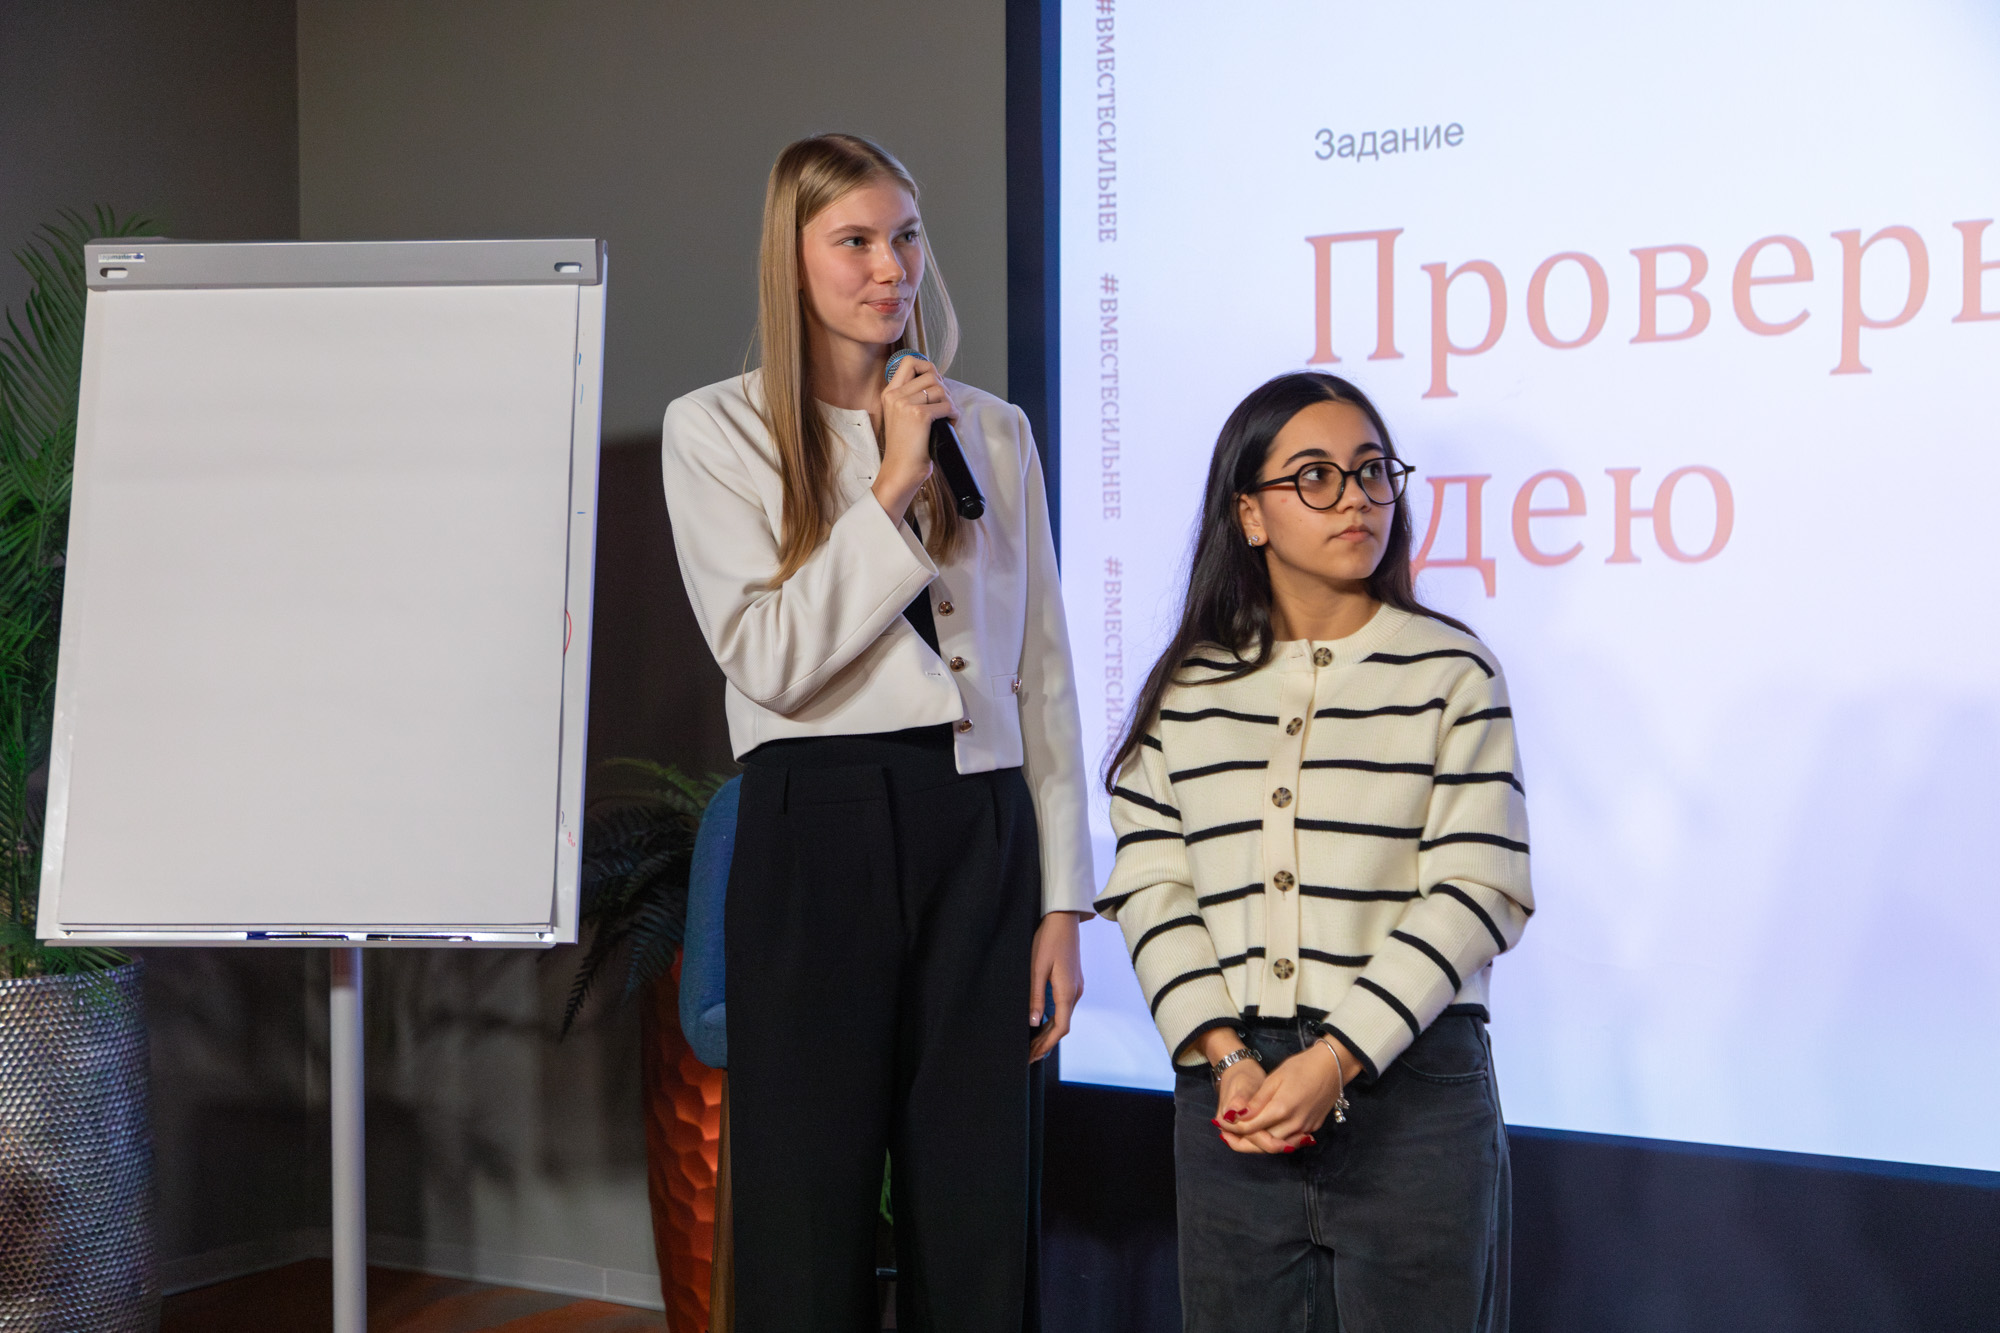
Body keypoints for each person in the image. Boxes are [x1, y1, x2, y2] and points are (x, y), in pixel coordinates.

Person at [658, 133, 1092, 1333]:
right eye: (853, 240)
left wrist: (1062, 899)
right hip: (817, 824)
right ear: (790, 259)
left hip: (977, 825)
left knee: (976, 1206)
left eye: (903, 236)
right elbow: (770, 659)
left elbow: (1042, 674)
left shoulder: (991, 429)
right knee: (807, 1216)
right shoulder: (717, 431)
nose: (890, 267)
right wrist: (891, 482)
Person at [1095, 371, 1533, 1332]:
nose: (1357, 498)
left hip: (1412, 1090)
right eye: (1317, 476)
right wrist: (1226, 1056)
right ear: (1249, 514)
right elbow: (1152, 882)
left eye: (1373, 472)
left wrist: (1336, 1058)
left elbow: (1479, 887)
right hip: (1234, 1093)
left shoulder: (1453, 670)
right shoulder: (1187, 688)